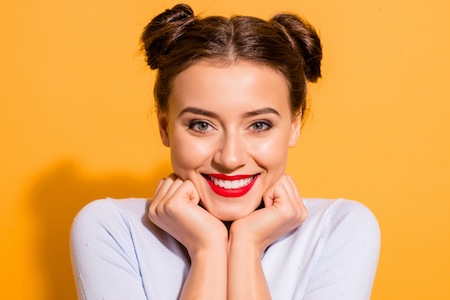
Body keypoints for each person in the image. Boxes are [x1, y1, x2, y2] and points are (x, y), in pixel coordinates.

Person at [70, 3, 380, 299]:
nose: (230, 159)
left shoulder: (341, 228)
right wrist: (207, 249)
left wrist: (247, 244)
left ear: (295, 125)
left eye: (259, 125)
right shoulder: (110, 229)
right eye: (202, 125)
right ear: (165, 127)